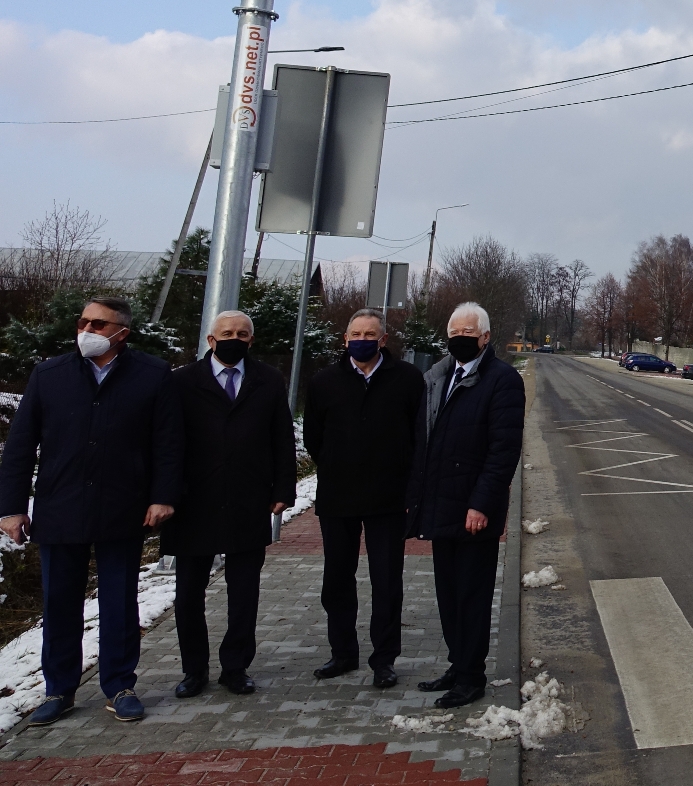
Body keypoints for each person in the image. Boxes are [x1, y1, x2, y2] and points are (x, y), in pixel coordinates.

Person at [0, 298, 182, 726]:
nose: (86, 329)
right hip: (61, 506)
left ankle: (119, 685)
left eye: (98, 324)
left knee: (119, 602)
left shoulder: (153, 375)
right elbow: (21, 446)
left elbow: (169, 444)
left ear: (122, 332)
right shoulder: (50, 374)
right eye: (83, 321)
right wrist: (10, 509)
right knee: (60, 603)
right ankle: (59, 689)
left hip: (125, 506)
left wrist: (163, 496)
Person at [162, 310, 296, 697]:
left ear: (251, 340)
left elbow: (281, 438)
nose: (234, 338)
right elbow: (168, 442)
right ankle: (194, 670)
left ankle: (235, 667)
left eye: (242, 333)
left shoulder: (267, 380)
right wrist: (165, 494)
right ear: (210, 340)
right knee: (188, 594)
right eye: (226, 333)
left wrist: (283, 489)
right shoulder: (181, 381)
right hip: (193, 504)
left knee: (244, 592)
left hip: (247, 499)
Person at [405, 302, 523, 708]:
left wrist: (481, 504)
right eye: (453, 331)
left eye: (468, 333)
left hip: (474, 510)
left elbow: (503, 451)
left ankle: (472, 676)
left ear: (485, 338)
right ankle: (458, 664)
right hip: (442, 503)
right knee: (449, 592)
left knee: (472, 595)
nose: (459, 338)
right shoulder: (440, 376)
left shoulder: (502, 381)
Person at [303, 307, 423, 687]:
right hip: (338, 497)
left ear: (384, 340)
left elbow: (418, 435)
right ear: (345, 338)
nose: (363, 340)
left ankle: (384, 659)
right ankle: (343, 653)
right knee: (337, 578)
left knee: (387, 581)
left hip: (388, 498)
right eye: (357, 333)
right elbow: (313, 438)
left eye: (371, 334)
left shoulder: (407, 379)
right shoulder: (324, 381)